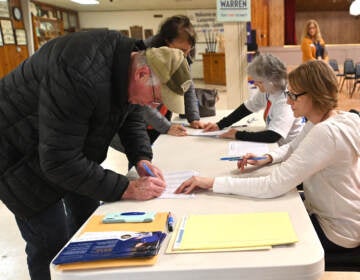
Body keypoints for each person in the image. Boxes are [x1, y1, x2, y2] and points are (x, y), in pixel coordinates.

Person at [0, 29, 192, 280]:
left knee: (87, 223)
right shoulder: (80, 73)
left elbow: (131, 113)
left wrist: (141, 157)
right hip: (16, 153)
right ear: (143, 73)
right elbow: (59, 161)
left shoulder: (128, 62)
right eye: (157, 98)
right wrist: (127, 188)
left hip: (63, 146)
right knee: (51, 242)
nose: (154, 105)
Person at [176, 60, 360, 258]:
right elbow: (292, 147)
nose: (289, 101)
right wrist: (267, 157)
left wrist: (212, 182)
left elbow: (272, 185)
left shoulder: (325, 133)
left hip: (336, 231)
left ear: (315, 95)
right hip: (344, 217)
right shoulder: (335, 119)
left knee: (254, 241)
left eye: (294, 95)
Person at [203, 53, 304, 146]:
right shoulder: (268, 89)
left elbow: (273, 136)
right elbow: (247, 108)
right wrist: (220, 125)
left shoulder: (286, 101)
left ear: (271, 81)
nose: (255, 84)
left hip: (287, 148)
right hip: (275, 145)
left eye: (258, 81)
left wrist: (238, 134)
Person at [143, 14, 207, 143]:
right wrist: (165, 126)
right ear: (167, 41)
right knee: (142, 155)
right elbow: (139, 103)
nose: (184, 55)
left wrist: (193, 118)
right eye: (182, 50)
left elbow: (186, 84)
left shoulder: (182, 53)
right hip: (140, 122)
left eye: (188, 51)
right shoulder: (144, 56)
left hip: (162, 114)